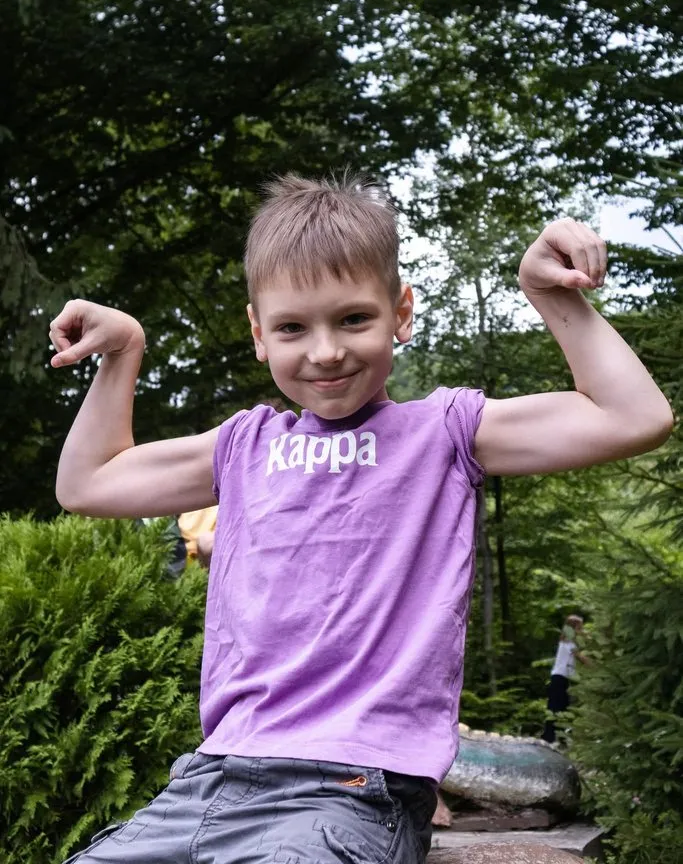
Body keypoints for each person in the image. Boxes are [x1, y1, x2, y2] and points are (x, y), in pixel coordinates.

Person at [49, 172, 673, 864]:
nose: (325, 351)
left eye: (352, 319)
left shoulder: (444, 433)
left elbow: (633, 417)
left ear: (400, 313)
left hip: (352, 786)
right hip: (211, 780)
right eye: (292, 327)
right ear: (258, 333)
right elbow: (87, 484)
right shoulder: (243, 446)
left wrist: (550, 293)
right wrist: (122, 352)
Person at [542, 614, 588, 744]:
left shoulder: (568, 642)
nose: (581, 630)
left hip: (563, 678)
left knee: (563, 706)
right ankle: (549, 737)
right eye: (579, 627)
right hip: (559, 677)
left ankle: (559, 737)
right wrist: (597, 666)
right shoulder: (568, 643)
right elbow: (581, 658)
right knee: (556, 706)